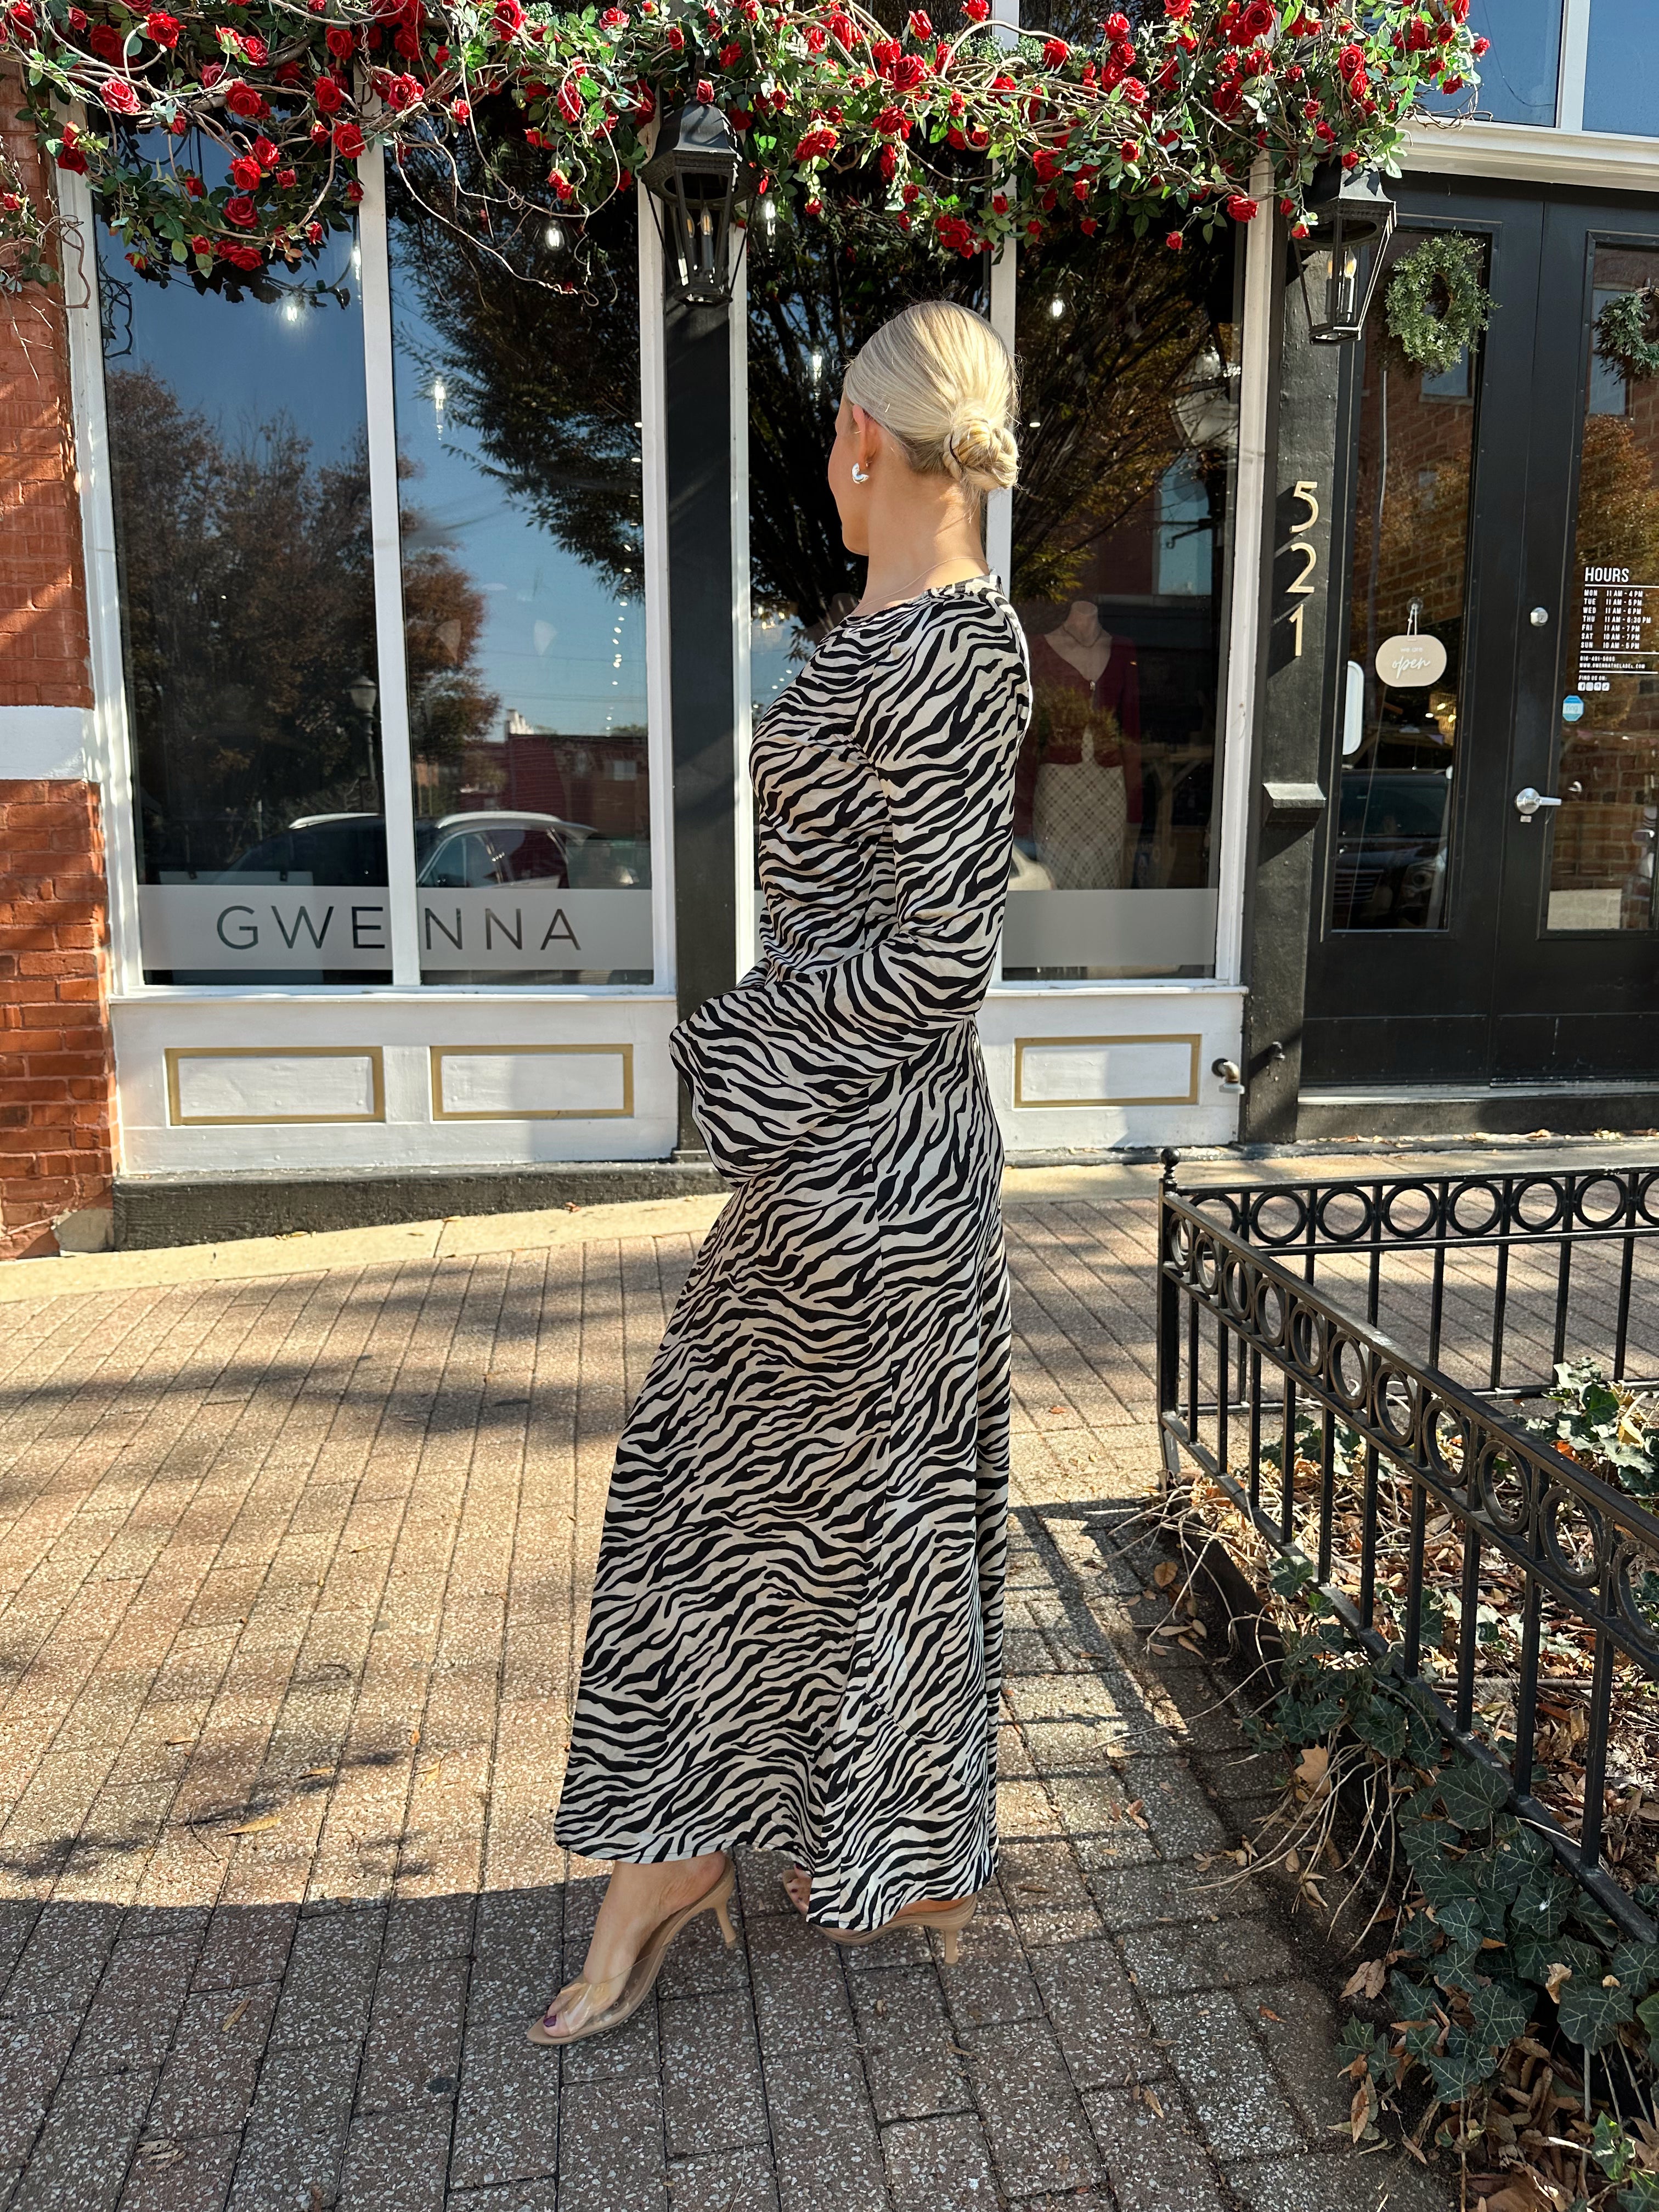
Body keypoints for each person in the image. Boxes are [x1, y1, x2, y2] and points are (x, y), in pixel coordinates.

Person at [532, 300, 1033, 2046]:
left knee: (761, 1498)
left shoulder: (967, 647)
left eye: (832, 433)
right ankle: (809, 1842)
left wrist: (728, 1059)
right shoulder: (878, 626)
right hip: (839, 1153)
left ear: (865, 444)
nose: (826, 458)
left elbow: (941, 960)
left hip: (877, 1170)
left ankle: (725, 1856)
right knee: (785, 1504)